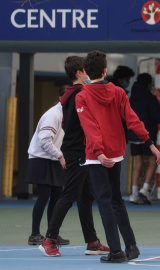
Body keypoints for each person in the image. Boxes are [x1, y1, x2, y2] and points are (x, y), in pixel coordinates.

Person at [75, 50, 160, 263]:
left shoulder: (83, 96)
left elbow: (90, 127)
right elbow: (132, 119)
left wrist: (98, 151)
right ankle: (131, 245)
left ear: (87, 72)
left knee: (104, 201)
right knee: (116, 200)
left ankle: (115, 251)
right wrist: (150, 143)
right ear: (105, 70)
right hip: (116, 152)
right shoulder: (118, 92)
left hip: (98, 156)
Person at [39, 56, 109, 257]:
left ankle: (92, 241)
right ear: (79, 73)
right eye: (86, 71)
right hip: (76, 150)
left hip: (81, 150)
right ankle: (49, 239)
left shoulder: (71, 93)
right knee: (69, 194)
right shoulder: (80, 93)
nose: (88, 75)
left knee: (85, 196)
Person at [25, 86, 69, 247]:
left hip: (53, 159)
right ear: (60, 97)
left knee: (57, 197)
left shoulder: (67, 114)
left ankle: (52, 234)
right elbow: (44, 140)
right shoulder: (53, 114)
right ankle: (34, 234)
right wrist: (60, 155)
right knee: (44, 195)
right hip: (41, 158)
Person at [128, 73, 160, 205]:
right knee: (153, 161)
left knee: (137, 164)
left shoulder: (131, 98)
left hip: (133, 135)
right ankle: (144, 190)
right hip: (147, 135)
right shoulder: (150, 98)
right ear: (149, 84)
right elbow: (158, 117)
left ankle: (133, 194)